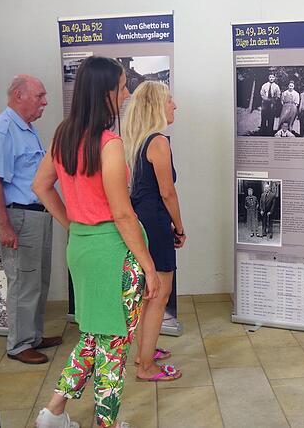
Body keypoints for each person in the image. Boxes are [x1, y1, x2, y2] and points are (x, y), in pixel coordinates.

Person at [32, 56, 161, 428]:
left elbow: (40, 186)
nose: (126, 94)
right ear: (104, 92)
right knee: (115, 346)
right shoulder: (109, 144)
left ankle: (53, 412)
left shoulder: (62, 136)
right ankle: (105, 424)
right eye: (121, 87)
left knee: (97, 336)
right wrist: (149, 266)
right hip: (115, 256)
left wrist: (73, 223)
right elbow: (122, 214)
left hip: (83, 251)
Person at [0, 74, 59, 365]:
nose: (45, 101)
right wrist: (3, 225)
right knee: (23, 281)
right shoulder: (1, 131)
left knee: (38, 279)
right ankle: (19, 345)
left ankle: (33, 336)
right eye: (40, 96)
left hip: (37, 214)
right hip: (19, 216)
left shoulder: (27, 128)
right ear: (18, 96)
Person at [123, 80, 185, 382]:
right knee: (160, 293)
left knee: (149, 294)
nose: (175, 106)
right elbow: (168, 193)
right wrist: (180, 227)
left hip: (140, 223)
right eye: (170, 100)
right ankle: (146, 366)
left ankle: (143, 352)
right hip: (156, 224)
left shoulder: (136, 140)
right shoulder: (158, 141)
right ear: (157, 106)